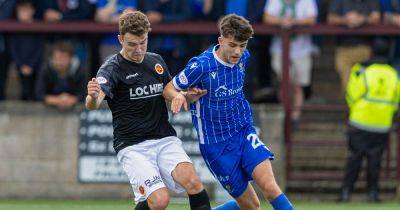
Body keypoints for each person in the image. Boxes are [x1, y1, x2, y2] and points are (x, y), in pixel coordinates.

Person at [163, 14, 294, 210]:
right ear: (221, 40)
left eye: (242, 45)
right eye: (232, 45)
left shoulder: (243, 58)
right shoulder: (201, 66)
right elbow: (168, 88)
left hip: (243, 132)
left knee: (271, 188)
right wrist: (180, 96)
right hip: (216, 146)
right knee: (252, 206)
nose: (238, 51)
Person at [85, 10, 212, 210]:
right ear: (120, 39)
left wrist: (182, 95)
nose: (138, 49)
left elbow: (167, 90)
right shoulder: (111, 69)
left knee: (194, 183)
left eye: (142, 42)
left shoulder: (156, 61)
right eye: (132, 44)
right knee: (160, 200)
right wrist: (92, 96)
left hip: (163, 138)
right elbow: (94, 103)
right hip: (133, 146)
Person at [338, 38, 400, 203]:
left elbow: (351, 95)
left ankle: (345, 193)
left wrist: (356, 110)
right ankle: (372, 194)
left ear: (371, 52)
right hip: (382, 124)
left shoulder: (361, 71)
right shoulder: (393, 74)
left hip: (359, 122)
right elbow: (396, 101)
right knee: (375, 161)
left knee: (354, 159)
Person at [263, 0, 317, 125]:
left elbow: (312, 19)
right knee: (285, 83)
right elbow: (267, 17)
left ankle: (294, 117)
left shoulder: (307, 2)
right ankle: (284, 114)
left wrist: (293, 22)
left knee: (298, 86)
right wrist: (282, 21)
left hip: (302, 50)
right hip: (279, 49)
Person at [327, 0, 380, 92]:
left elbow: (376, 17)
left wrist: (362, 19)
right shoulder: (339, 1)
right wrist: (346, 19)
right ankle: (349, 103)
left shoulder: (371, 1)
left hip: (365, 48)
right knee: (347, 84)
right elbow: (331, 18)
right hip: (344, 48)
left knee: (364, 83)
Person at [9, 0, 44, 101]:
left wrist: (31, 64)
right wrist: (21, 65)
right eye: (22, 11)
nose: (24, 13)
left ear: (32, 11)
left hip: (35, 64)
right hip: (20, 64)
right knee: (24, 90)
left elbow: (40, 48)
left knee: (35, 88)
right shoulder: (14, 28)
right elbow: (13, 49)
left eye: (26, 10)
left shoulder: (38, 27)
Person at [35, 41, 86, 111]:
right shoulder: (46, 69)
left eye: (63, 58)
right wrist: (57, 100)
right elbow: (39, 94)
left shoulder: (80, 71)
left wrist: (71, 100)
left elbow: (85, 94)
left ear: (71, 59)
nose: (59, 62)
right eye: (56, 59)